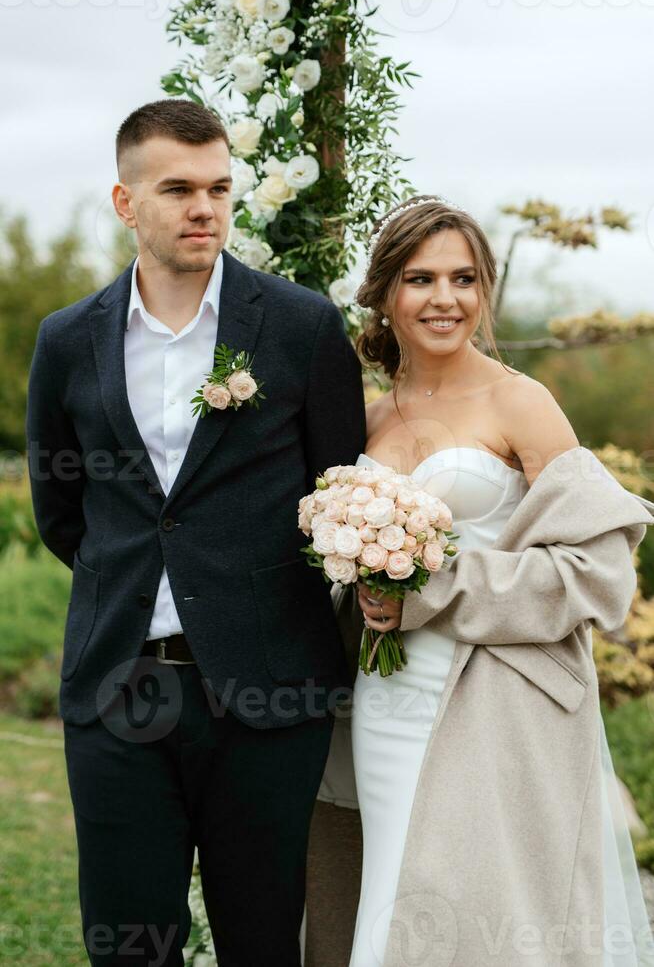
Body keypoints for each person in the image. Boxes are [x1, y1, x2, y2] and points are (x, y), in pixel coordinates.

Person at [25, 98, 366, 966]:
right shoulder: (66, 341)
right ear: (125, 201)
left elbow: (337, 491)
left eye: (218, 187)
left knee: (261, 942)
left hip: (267, 693)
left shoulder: (299, 326)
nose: (204, 207)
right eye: (177, 188)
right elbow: (64, 513)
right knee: (131, 945)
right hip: (119, 690)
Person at [315, 195, 654, 966]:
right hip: (385, 703)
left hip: (493, 700)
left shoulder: (522, 402)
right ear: (385, 294)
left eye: (464, 279)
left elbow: (599, 575)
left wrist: (433, 590)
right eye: (421, 279)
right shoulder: (368, 415)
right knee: (397, 892)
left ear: (486, 290)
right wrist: (356, 589)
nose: (445, 299)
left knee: (479, 907)